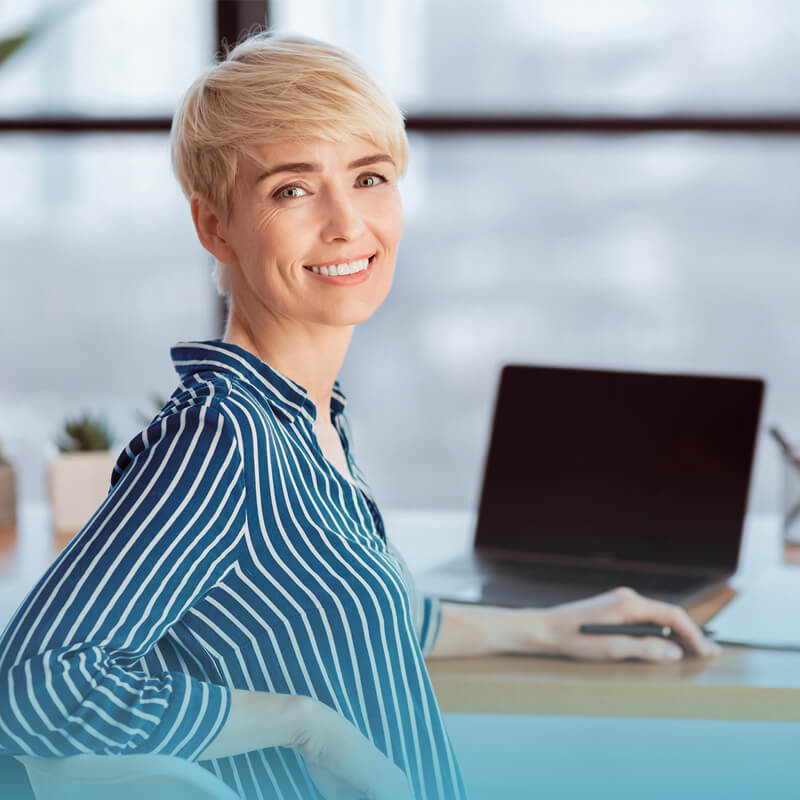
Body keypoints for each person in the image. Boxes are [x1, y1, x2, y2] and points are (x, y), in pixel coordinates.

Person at [0, 31, 719, 800]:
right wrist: (304, 723)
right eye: (292, 189)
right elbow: (37, 689)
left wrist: (558, 625)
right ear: (215, 227)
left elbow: (347, 619)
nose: (348, 224)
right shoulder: (222, 441)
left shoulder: (306, 419)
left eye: (370, 177)